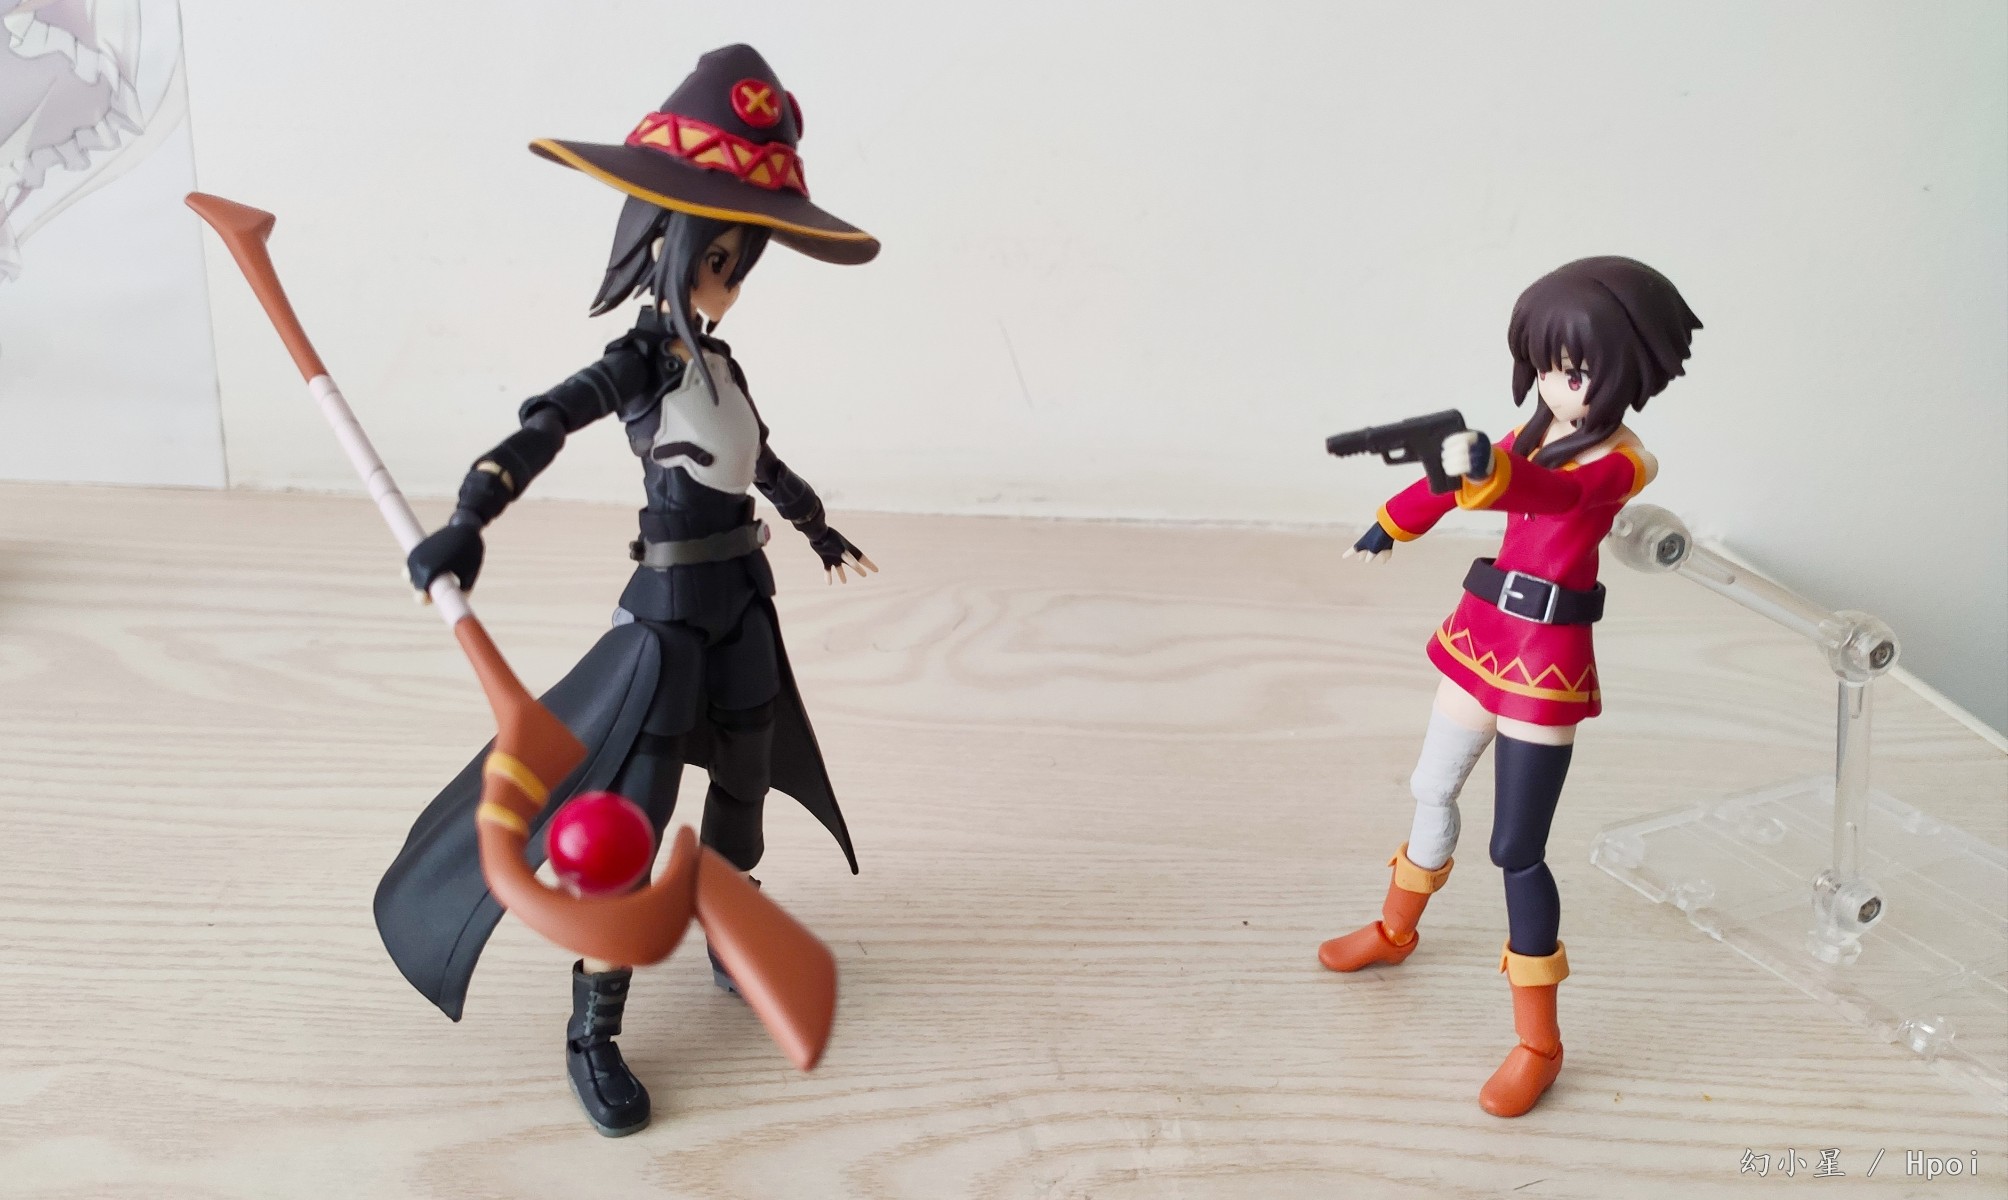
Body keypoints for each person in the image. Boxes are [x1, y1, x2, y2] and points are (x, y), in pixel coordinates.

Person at [372, 44, 876, 1138]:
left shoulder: (724, 366)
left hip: (742, 603)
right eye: (717, 259)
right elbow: (541, 425)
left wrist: (814, 526)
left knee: (743, 788)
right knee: (625, 830)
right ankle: (591, 1031)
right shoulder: (640, 364)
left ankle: (729, 926)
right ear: (666, 242)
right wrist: (469, 519)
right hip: (667, 622)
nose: (726, 283)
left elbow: (759, 461)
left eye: (740, 265)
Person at [1319, 257, 1701, 1117]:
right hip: (1482, 633)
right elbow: (1456, 481)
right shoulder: (1528, 435)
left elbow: (1558, 495)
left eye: (1579, 372)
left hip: (1547, 664)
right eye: (1547, 367)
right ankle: (1394, 929)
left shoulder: (1622, 463)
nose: (1560, 386)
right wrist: (1392, 523)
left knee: (1516, 850)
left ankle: (1540, 1042)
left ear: (1626, 373)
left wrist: (1487, 471)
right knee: (1431, 786)